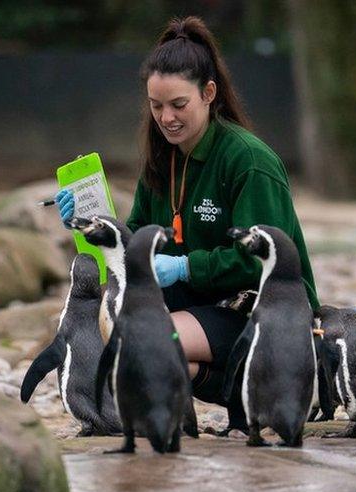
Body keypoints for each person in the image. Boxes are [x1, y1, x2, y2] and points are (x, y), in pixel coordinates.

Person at [55, 16, 318, 421]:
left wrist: (184, 266)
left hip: (262, 313)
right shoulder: (163, 161)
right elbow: (138, 238)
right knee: (98, 320)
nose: (166, 118)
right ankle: (213, 395)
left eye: (179, 104)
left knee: (146, 342)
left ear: (209, 93)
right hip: (200, 304)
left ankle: (255, 389)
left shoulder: (247, 160)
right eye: (156, 106)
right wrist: (95, 226)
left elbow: (263, 261)